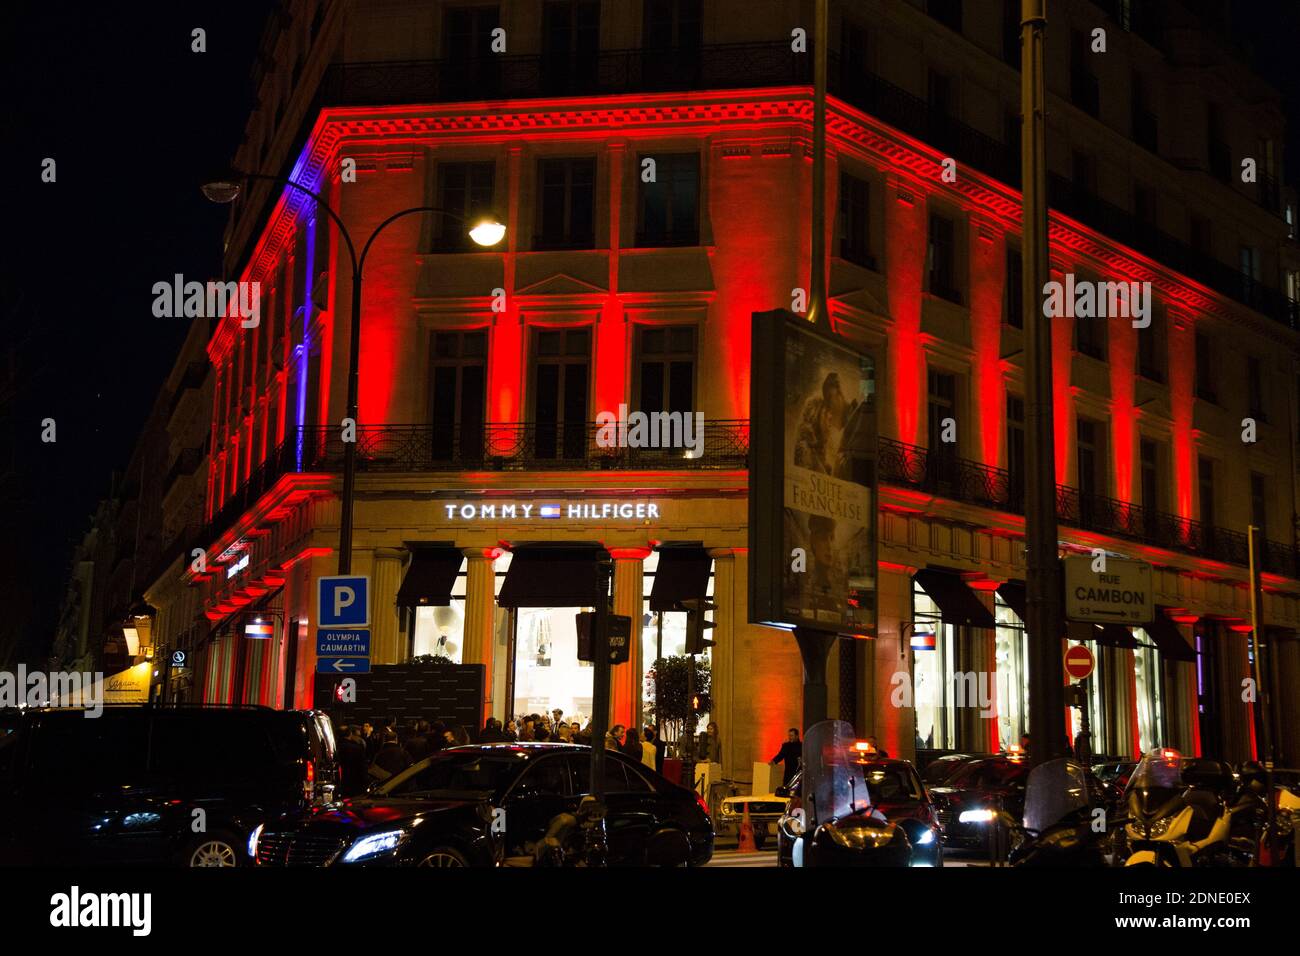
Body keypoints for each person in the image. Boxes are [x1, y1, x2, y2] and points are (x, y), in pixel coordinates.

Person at [336, 725, 369, 797]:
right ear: (350, 734)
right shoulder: (357, 748)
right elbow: (362, 767)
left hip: (341, 783)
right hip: (356, 783)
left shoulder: (336, 748)